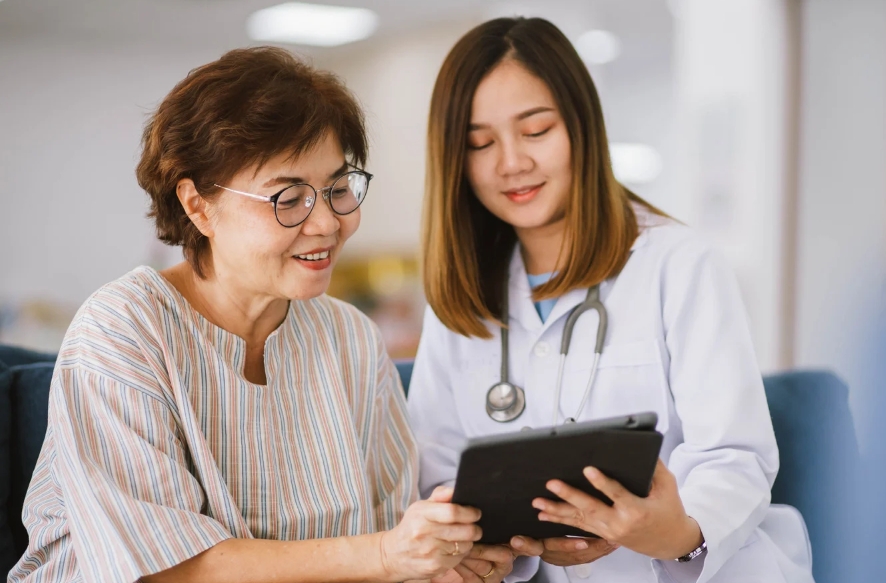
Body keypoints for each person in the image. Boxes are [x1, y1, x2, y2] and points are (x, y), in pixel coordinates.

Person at [8, 47, 522, 583]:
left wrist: (438, 565)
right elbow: (165, 570)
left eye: (338, 188)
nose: (326, 222)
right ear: (197, 205)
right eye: (288, 197)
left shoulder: (351, 339)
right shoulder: (124, 329)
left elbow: (387, 539)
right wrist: (389, 557)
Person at [407, 17, 815, 583]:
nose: (511, 163)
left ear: (581, 126)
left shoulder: (678, 263)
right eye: (480, 143)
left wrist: (674, 533)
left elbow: (734, 458)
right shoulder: (460, 297)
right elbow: (440, 478)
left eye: (536, 130)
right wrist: (480, 546)